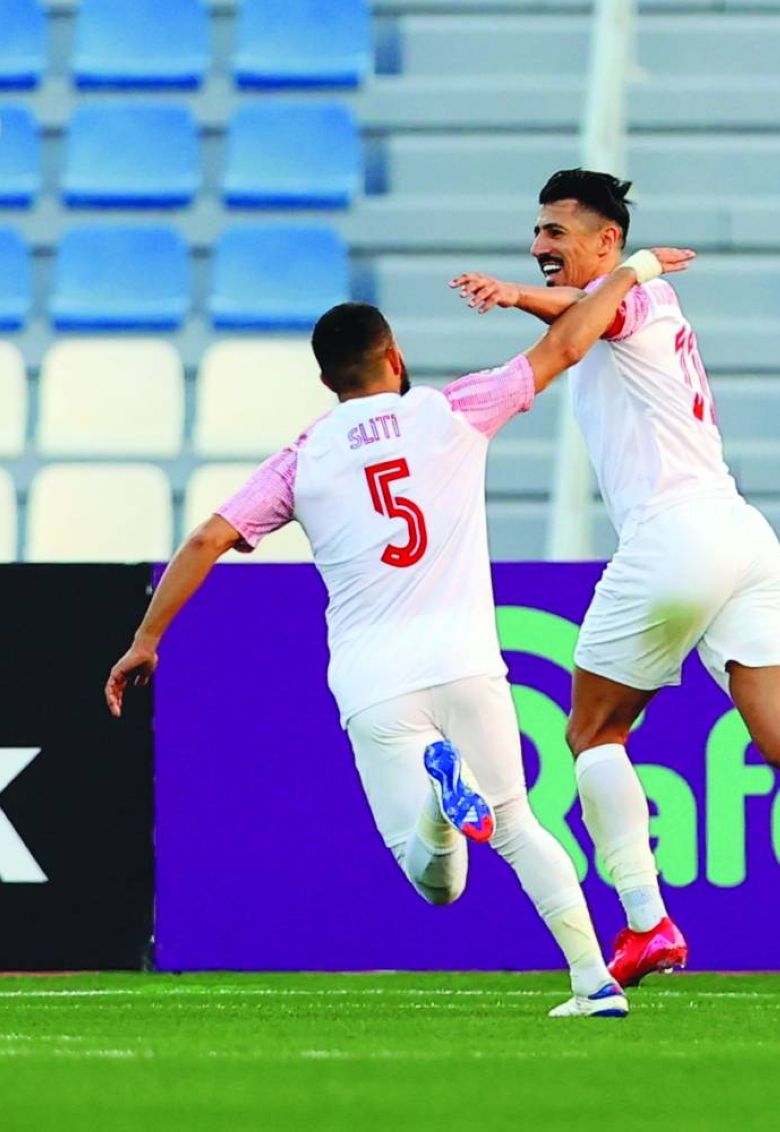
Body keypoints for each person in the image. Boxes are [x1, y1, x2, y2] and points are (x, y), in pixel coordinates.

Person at [105, 247, 695, 1017]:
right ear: (395, 355)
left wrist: (147, 639)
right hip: (466, 662)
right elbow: (566, 345)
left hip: (375, 681)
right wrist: (635, 270)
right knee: (518, 824)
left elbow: (206, 541)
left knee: (435, 884)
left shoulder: (300, 459)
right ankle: (594, 982)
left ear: (327, 383)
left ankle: (439, 807)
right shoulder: (454, 409)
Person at [450, 167, 780, 987]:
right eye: (535, 232)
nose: (539, 246)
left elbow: (589, 324)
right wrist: (528, 294)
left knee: (593, 734)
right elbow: (584, 317)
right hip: (742, 535)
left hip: (674, 534)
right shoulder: (625, 301)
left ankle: (646, 922)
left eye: (556, 233)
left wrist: (580, 282)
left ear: (607, 241)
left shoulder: (639, 295)